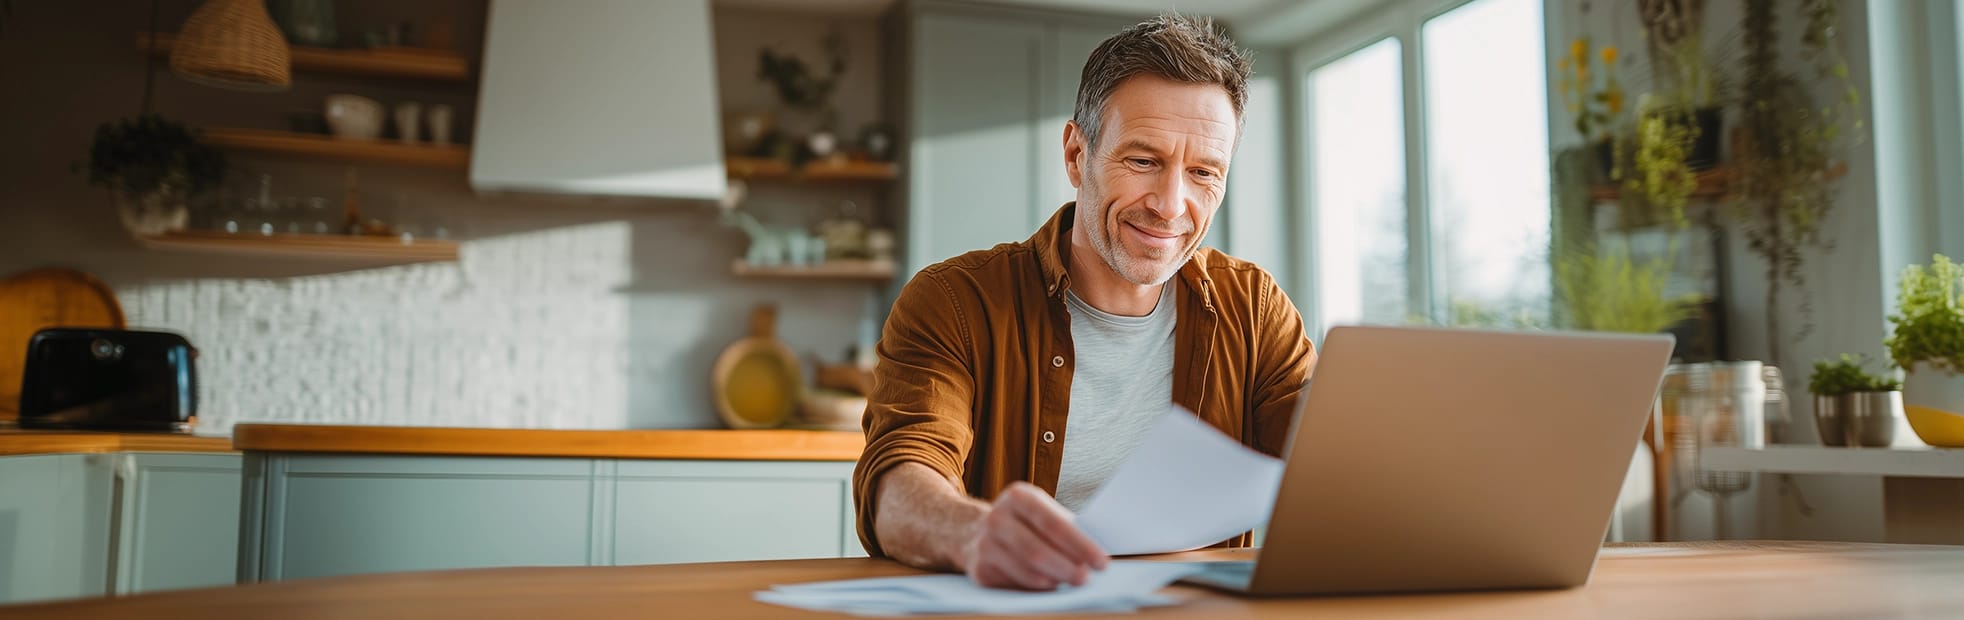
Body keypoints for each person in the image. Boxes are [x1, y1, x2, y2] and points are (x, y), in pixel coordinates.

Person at [851, 12, 1315, 591]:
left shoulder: (1255, 308)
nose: (1172, 206)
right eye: (1143, 161)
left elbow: (1333, 468)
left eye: (1203, 172)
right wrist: (970, 532)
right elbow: (897, 484)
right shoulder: (953, 302)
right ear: (1076, 154)